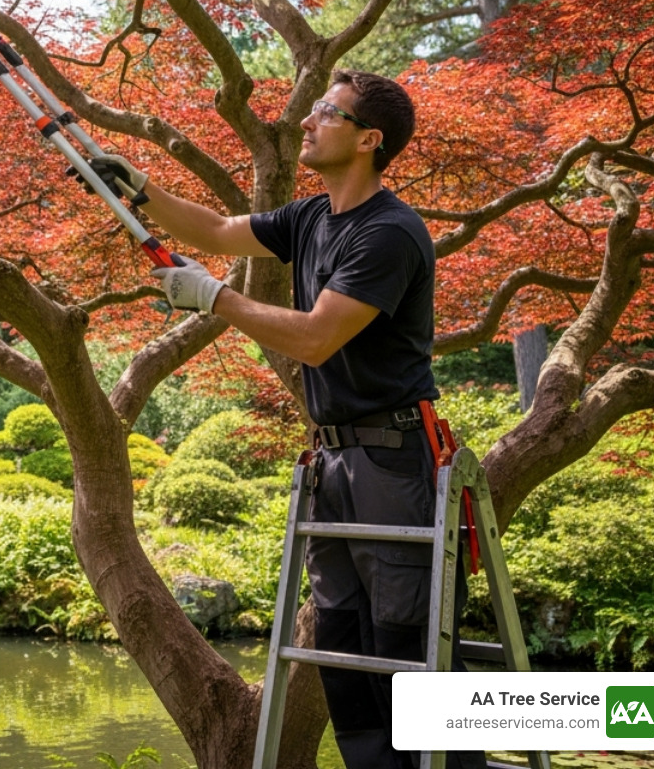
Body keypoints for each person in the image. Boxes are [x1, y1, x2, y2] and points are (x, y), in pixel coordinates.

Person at [83, 69, 483, 769]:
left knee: (406, 656)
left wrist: (215, 298)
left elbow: (315, 337)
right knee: (340, 652)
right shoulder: (309, 218)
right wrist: (136, 186)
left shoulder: (389, 232)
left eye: (325, 112)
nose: (305, 121)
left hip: (394, 460)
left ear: (368, 139)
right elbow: (212, 228)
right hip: (333, 463)